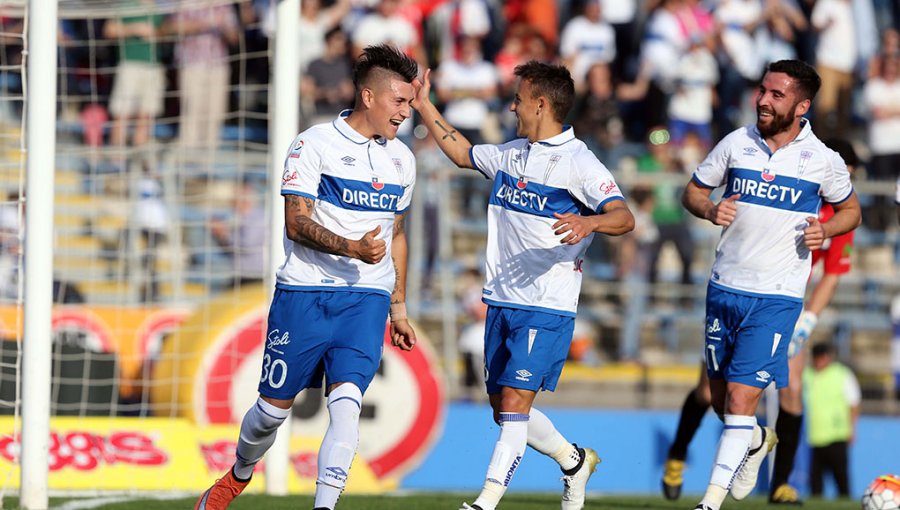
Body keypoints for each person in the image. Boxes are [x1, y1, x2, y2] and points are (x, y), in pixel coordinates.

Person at [195, 44, 419, 510]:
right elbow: (295, 224)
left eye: (410, 102)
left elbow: (397, 234)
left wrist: (398, 305)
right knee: (269, 414)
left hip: (366, 297)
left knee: (347, 404)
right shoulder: (314, 144)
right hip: (305, 293)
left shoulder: (402, 160)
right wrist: (352, 247)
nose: (405, 111)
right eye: (399, 101)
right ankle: (238, 474)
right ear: (369, 97)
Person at [412, 60, 635, 510]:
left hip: (546, 303)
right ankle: (573, 461)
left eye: (518, 98)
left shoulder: (579, 162)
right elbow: (461, 151)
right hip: (501, 301)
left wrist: (588, 221)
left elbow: (624, 216)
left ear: (540, 103)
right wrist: (422, 103)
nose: (511, 105)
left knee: (514, 401)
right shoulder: (512, 153)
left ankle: (486, 500)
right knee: (504, 409)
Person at [680, 59, 861, 510]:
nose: (762, 100)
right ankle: (757, 440)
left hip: (777, 297)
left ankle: (710, 501)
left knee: (743, 397)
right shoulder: (736, 143)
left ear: (802, 106)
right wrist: (708, 210)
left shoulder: (823, 160)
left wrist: (829, 230)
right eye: (763, 90)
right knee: (724, 403)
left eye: (776, 95)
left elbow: (851, 211)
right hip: (724, 288)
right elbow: (693, 191)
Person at [803, 342, 860, 498]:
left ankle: (845, 501)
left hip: (837, 435)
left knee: (841, 478)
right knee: (815, 482)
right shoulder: (807, 374)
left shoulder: (841, 374)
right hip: (815, 436)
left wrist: (852, 429)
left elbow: (853, 403)